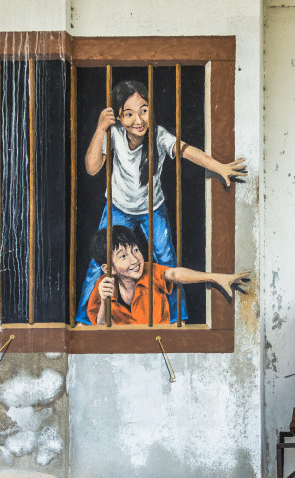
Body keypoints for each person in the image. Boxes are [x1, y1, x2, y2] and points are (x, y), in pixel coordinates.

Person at [76, 80, 247, 325]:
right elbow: (92, 168)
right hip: (117, 207)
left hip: (152, 208)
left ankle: (177, 319)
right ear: (119, 118)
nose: (138, 120)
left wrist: (219, 167)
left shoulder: (158, 135)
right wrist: (101, 127)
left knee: (166, 263)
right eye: (129, 114)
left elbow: (186, 150)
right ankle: (85, 321)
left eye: (144, 110)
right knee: (99, 263)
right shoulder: (114, 134)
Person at [85, 226, 249, 326]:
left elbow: (174, 273)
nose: (134, 259)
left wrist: (216, 278)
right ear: (108, 268)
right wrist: (105, 301)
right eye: (123, 256)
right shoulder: (103, 285)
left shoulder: (150, 271)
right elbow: (101, 326)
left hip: (159, 345)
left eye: (135, 250)